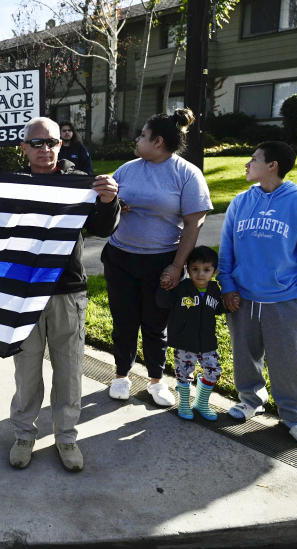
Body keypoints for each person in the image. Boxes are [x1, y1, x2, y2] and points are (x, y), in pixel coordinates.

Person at [0, 117, 120, 472]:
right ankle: (24, 434)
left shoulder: (76, 183)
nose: (45, 149)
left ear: (61, 145)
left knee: (69, 369)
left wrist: (107, 200)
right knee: (26, 370)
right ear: (23, 148)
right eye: (36, 143)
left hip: (67, 290)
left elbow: (101, 228)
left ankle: (66, 437)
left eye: (51, 142)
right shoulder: (13, 184)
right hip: (21, 294)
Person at [218, 141, 297, 447]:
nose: (247, 164)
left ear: (272, 165)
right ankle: (250, 399)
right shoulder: (240, 202)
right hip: (243, 297)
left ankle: (294, 417)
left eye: (253, 159)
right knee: (244, 353)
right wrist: (227, 285)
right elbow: (227, 250)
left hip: (286, 300)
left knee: (287, 361)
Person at [101, 108, 212, 407]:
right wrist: (115, 204)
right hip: (120, 258)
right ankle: (121, 375)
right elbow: (108, 203)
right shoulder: (127, 169)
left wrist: (177, 267)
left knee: (154, 323)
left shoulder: (187, 174)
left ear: (158, 141)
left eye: (142, 136)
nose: (137, 140)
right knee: (123, 321)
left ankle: (155, 380)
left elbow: (194, 224)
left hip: (160, 263)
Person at [156, 246, 225, 421]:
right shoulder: (182, 288)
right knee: (184, 373)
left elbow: (218, 309)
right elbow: (163, 303)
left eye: (206, 270)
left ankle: (201, 403)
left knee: (214, 370)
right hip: (184, 342)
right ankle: (184, 403)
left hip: (207, 342)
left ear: (214, 272)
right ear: (188, 269)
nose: (200, 274)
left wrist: (230, 303)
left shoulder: (214, 290)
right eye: (195, 269)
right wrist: (164, 287)